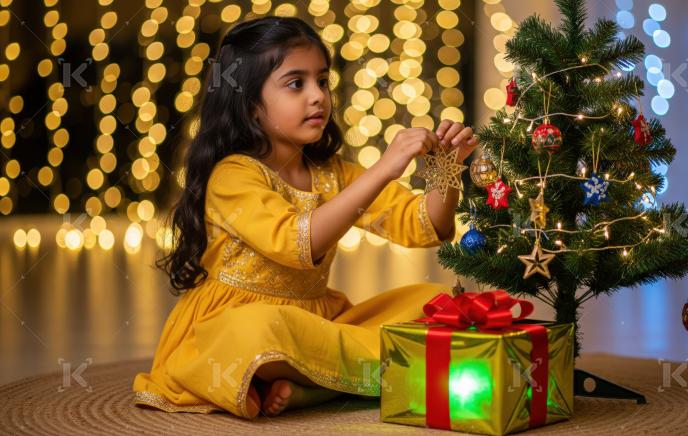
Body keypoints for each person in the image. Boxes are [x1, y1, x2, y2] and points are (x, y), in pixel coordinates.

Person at [132, 16, 478, 419]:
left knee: (435, 302)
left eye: (323, 81)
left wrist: (447, 170)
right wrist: (385, 168)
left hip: (316, 325)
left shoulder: (332, 172)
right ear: (249, 105)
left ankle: (310, 389)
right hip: (238, 328)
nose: (318, 96)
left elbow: (425, 227)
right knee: (257, 332)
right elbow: (300, 242)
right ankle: (332, 376)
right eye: (296, 83)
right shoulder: (232, 175)